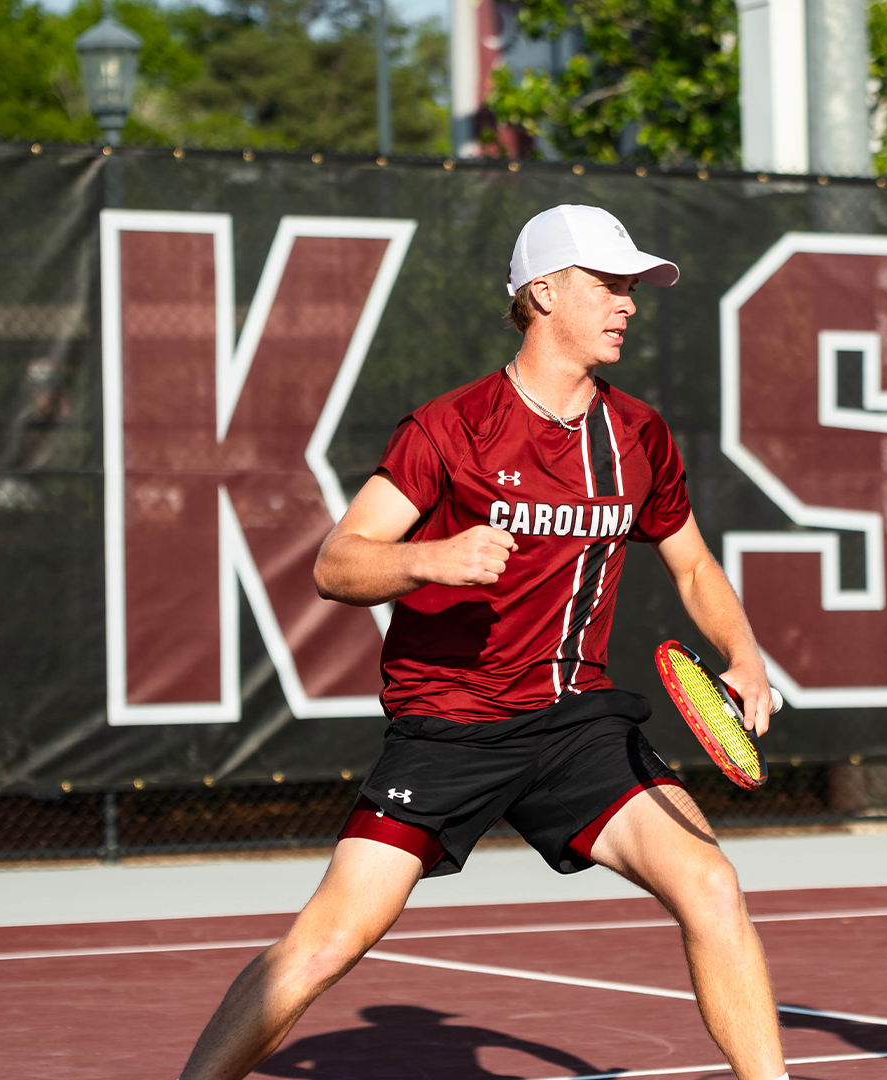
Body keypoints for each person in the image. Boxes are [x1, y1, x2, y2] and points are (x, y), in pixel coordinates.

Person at [177, 204, 791, 1080]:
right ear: (544, 292)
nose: (627, 304)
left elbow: (691, 566)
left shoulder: (638, 435)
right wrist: (430, 558)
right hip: (449, 725)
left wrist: (746, 655)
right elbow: (336, 564)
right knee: (327, 941)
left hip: (578, 726)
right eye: (607, 285)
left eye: (631, 288)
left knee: (712, 886)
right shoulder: (449, 428)